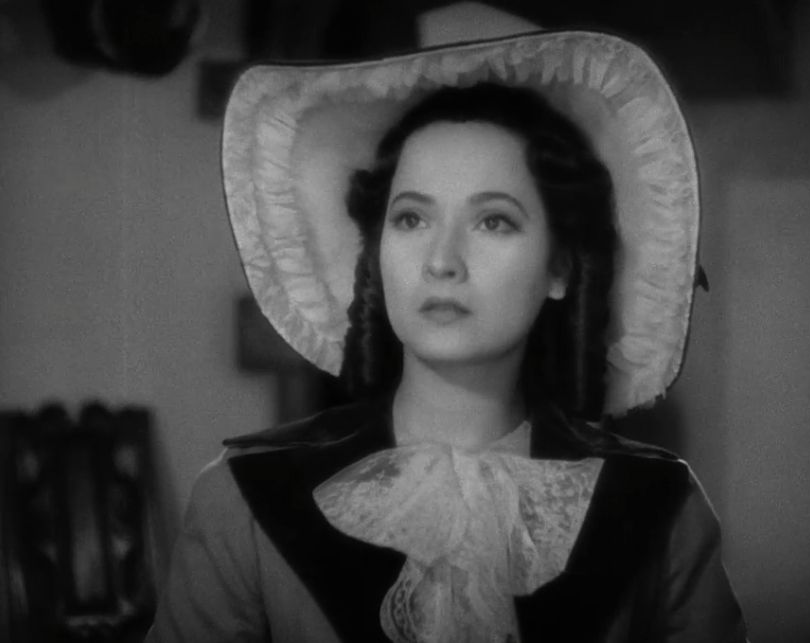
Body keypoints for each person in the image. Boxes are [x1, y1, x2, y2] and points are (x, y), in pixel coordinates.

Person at [147, 4, 747, 642]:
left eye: (494, 221)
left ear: (560, 268)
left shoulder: (658, 511)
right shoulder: (245, 502)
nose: (441, 261)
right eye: (411, 219)